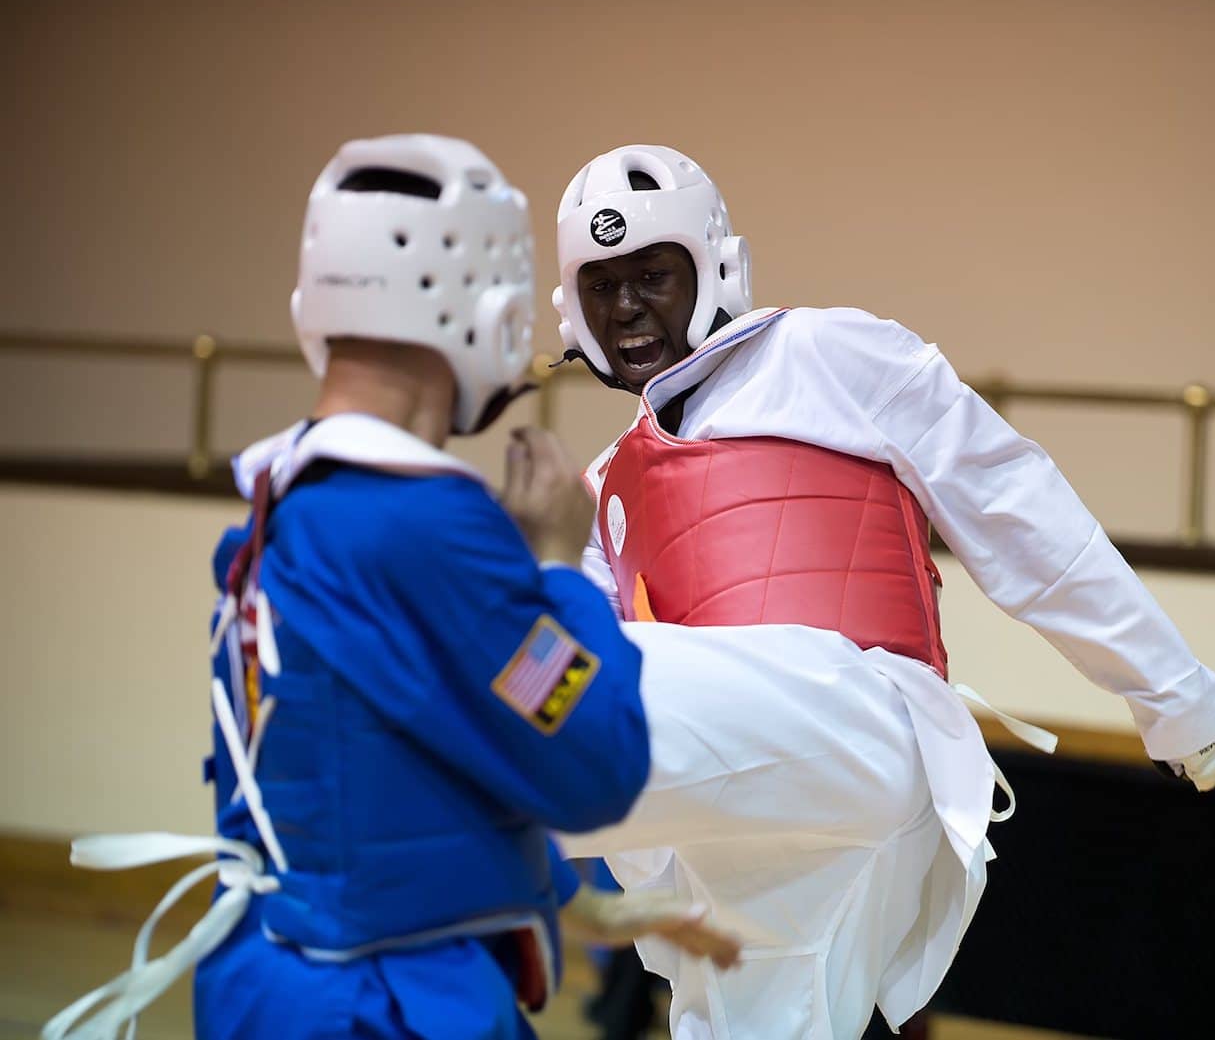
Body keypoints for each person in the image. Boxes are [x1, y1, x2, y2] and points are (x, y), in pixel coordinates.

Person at [547, 144, 1215, 1040]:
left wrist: (1174, 689)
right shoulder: (608, 484)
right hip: (744, 833)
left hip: (862, 725)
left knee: (522, 666)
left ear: (716, 266)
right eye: (602, 288)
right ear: (573, 308)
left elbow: (1012, 503)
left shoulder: (828, 351)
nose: (628, 308)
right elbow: (589, 700)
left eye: (652, 275)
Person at [43, 135, 736, 1040]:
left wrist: (575, 902)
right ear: (492, 313)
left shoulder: (278, 502)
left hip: (266, 983)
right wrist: (559, 569)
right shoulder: (425, 529)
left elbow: (383, 767)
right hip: (385, 1006)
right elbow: (591, 760)